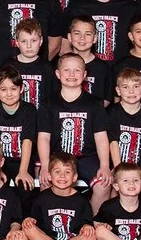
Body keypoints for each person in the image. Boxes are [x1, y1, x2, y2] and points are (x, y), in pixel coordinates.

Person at [38, 53, 111, 202]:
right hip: (57, 157)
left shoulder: (95, 104)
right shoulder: (48, 103)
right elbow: (44, 137)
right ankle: (52, 217)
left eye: (77, 70)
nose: (71, 74)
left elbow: (101, 137)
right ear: (58, 74)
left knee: (103, 185)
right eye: (66, 70)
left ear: (84, 75)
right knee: (46, 182)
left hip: (86, 158)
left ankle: (92, 217)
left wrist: (104, 165)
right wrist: (45, 165)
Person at [20, 158, 100, 240]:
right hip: (47, 238)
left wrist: (87, 226)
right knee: (27, 228)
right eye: (57, 172)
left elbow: (87, 221)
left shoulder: (82, 200)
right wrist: (30, 220)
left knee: (91, 236)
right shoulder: (41, 198)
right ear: (49, 176)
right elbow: (35, 220)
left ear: (74, 177)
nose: (62, 176)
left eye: (67, 172)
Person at [0, 68, 39, 187]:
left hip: (23, 161)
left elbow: (27, 141)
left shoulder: (29, 110)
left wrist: (23, 171)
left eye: (13, 89)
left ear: (21, 88)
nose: (9, 94)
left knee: (25, 187)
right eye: (3, 89)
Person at [89, 163, 141, 240]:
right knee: (100, 231)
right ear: (116, 186)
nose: (131, 183)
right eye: (125, 181)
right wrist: (103, 225)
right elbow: (96, 222)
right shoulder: (109, 206)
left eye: (136, 180)